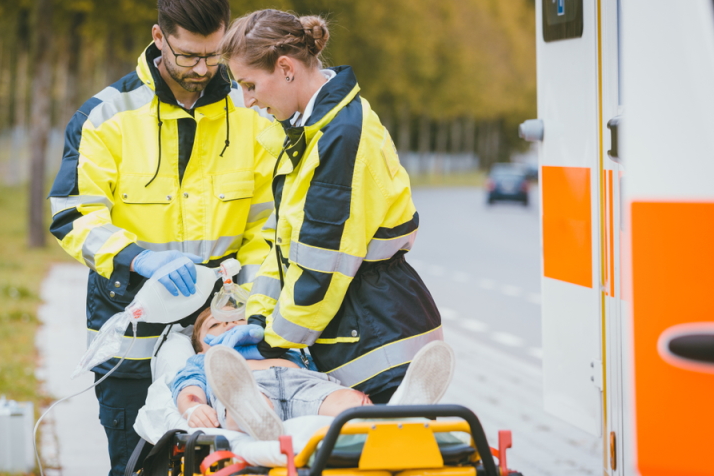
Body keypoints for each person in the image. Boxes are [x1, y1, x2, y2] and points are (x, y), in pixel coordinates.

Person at [46, 0, 274, 472]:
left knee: (231, 463)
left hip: (222, 330)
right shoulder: (105, 115)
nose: (203, 69)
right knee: (136, 464)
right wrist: (137, 258)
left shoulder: (253, 112)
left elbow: (268, 226)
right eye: (188, 55)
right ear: (158, 38)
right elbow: (73, 214)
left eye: (214, 55)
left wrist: (245, 299)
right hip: (132, 326)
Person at [215, 10, 444, 403]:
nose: (248, 101)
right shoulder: (312, 131)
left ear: (286, 68)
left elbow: (322, 267)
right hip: (361, 332)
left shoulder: (340, 137)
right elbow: (286, 248)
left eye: (250, 85)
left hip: (378, 346)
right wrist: (257, 318)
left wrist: (272, 342)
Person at [171, 309, 455, 440]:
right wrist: (194, 407)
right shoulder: (205, 360)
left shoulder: (284, 349)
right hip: (245, 388)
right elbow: (189, 389)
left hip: (303, 384)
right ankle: (255, 418)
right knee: (244, 403)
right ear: (199, 343)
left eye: (238, 319)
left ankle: (397, 414)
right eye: (216, 325)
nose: (231, 324)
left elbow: (315, 370)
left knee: (348, 402)